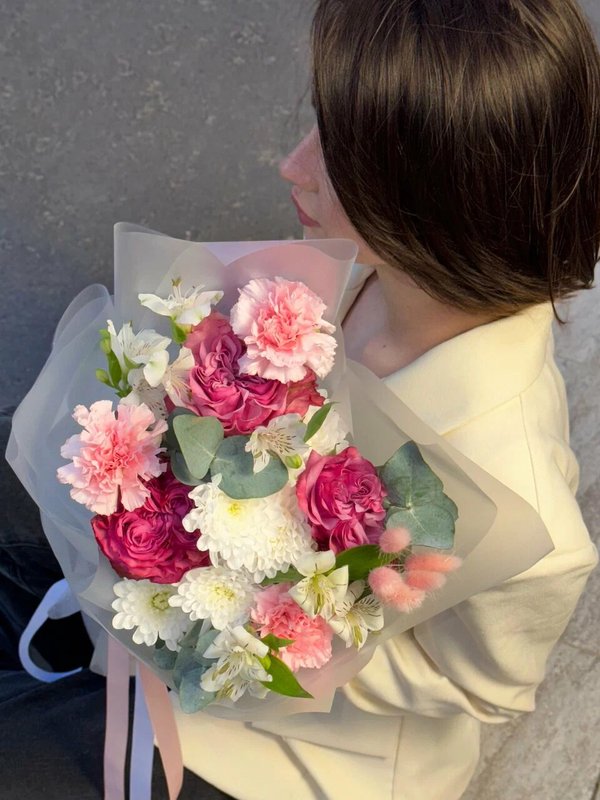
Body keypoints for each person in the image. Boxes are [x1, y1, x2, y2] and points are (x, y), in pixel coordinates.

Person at [1, 1, 599, 799]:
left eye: (341, 156)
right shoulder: (363, 280)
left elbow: (487, 691)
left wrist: (269, 631)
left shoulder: (529, 515)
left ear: (441, 201)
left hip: (279, 757)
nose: (292, 165)